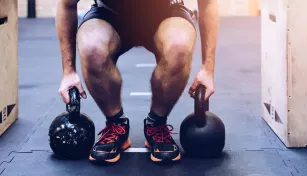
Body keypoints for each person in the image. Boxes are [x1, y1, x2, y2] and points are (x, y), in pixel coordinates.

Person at [56, 0, 219, 164]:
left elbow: (208, 3)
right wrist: (68, 71)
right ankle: (115, 124)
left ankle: (156, 124)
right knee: (92, 48)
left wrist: (207, 69)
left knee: (179, 45)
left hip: (165, 13)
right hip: (110, 15)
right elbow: (66, 4)